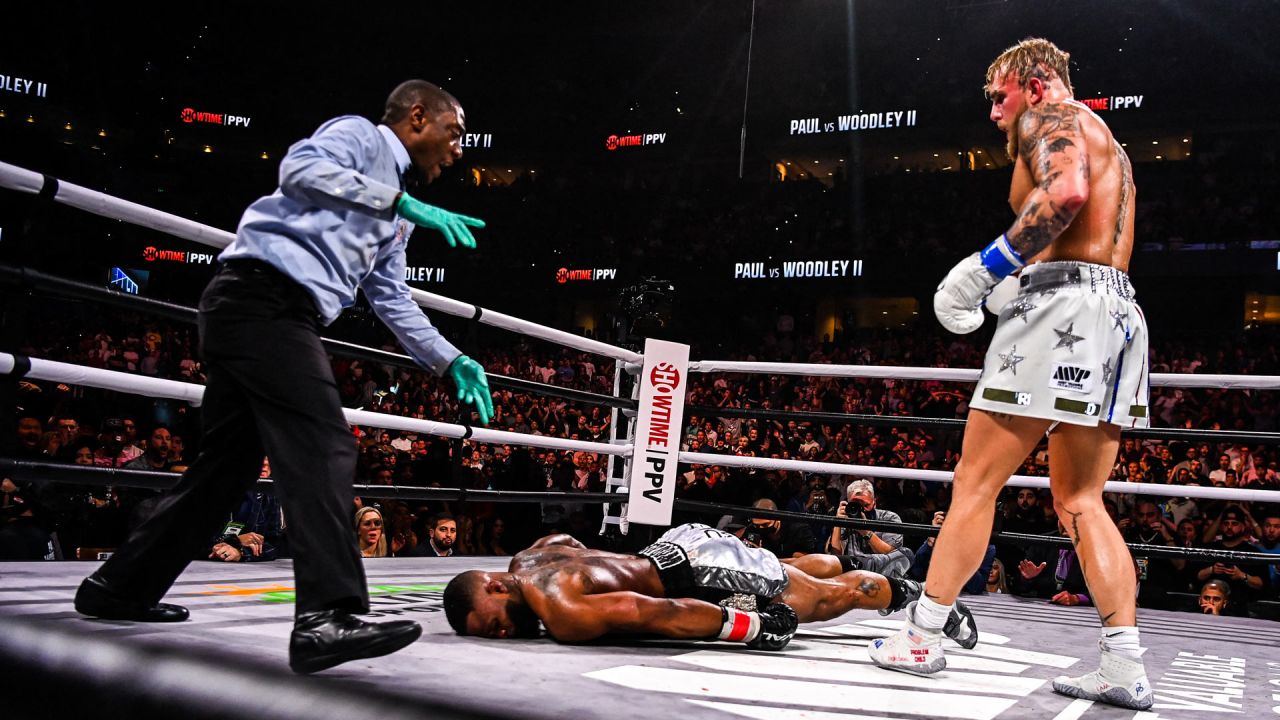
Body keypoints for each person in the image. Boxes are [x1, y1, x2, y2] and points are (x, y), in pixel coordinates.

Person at [73, 79, 496, 675]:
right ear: (418, 117)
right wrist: (395, 201)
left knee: (223, 472)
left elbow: (389, 295)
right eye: (454, 135)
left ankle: (118, 588)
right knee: (323, 444)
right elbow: (300, 168)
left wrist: (450, 358)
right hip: (260, 299)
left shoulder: (398, 207)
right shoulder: (360, 137)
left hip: (267, 313)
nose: (458, 152)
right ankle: (329, 616)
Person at [871, 38, 1154, 711]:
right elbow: (1086, 232)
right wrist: (1019, 278)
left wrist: (985, 269)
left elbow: (1065, 194)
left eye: (999, 95)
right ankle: (1124, 665)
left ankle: (923, 635)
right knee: (1080, 500)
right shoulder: (1106, 136)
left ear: (1035, 82)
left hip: (1060, 312)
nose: (996, 112)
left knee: (974, 482)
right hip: (1118, 313)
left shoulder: (1049, 119)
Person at [441, 523, 976, 650]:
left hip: (701, 571)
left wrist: (752, 625)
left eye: (493, 624)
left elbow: (655, 611)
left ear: (493, 585)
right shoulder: (530, 555)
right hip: (674, 546)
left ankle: (927, 598)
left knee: (817, 602)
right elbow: (576, 545)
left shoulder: (558, 610)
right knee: (790, 571)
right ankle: (828, 563)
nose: (504, 634)